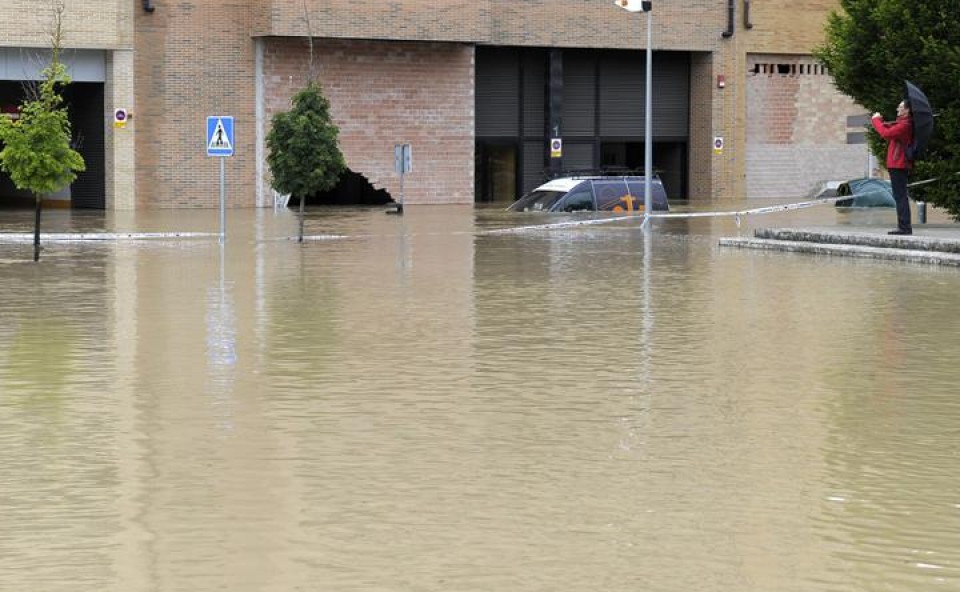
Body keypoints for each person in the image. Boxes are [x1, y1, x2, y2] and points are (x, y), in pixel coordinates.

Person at [871, 101, 914, 235]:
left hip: (898, 164)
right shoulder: (903, 123)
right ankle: (904, 226)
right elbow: (890, 128)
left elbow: (885, 134)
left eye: (900, 107)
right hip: (897, 163)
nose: (897, 109)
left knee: (900, 196)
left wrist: (876, 120)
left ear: (907, 111)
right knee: (900, 196)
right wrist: (882, 121)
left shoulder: (905, 125)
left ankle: (904, 227)